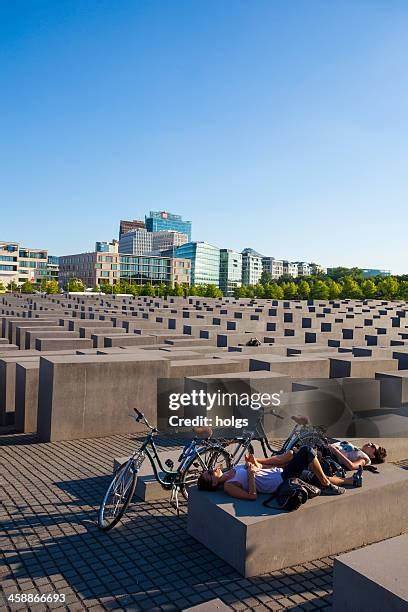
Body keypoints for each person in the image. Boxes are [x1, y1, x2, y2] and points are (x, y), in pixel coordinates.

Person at [197, 447, 362, 500]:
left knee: (313, 477)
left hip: (281, 472)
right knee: (306, 452)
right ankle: (327, 485)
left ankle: (351, 480)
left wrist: (254, 462)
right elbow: (252, 495)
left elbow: (259, 466)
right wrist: (251, 474)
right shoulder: (228, 486)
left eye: (209, 470)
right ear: (213, 483)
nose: (212, 469)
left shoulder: (231, 469)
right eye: (210, 473)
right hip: (280, 481)